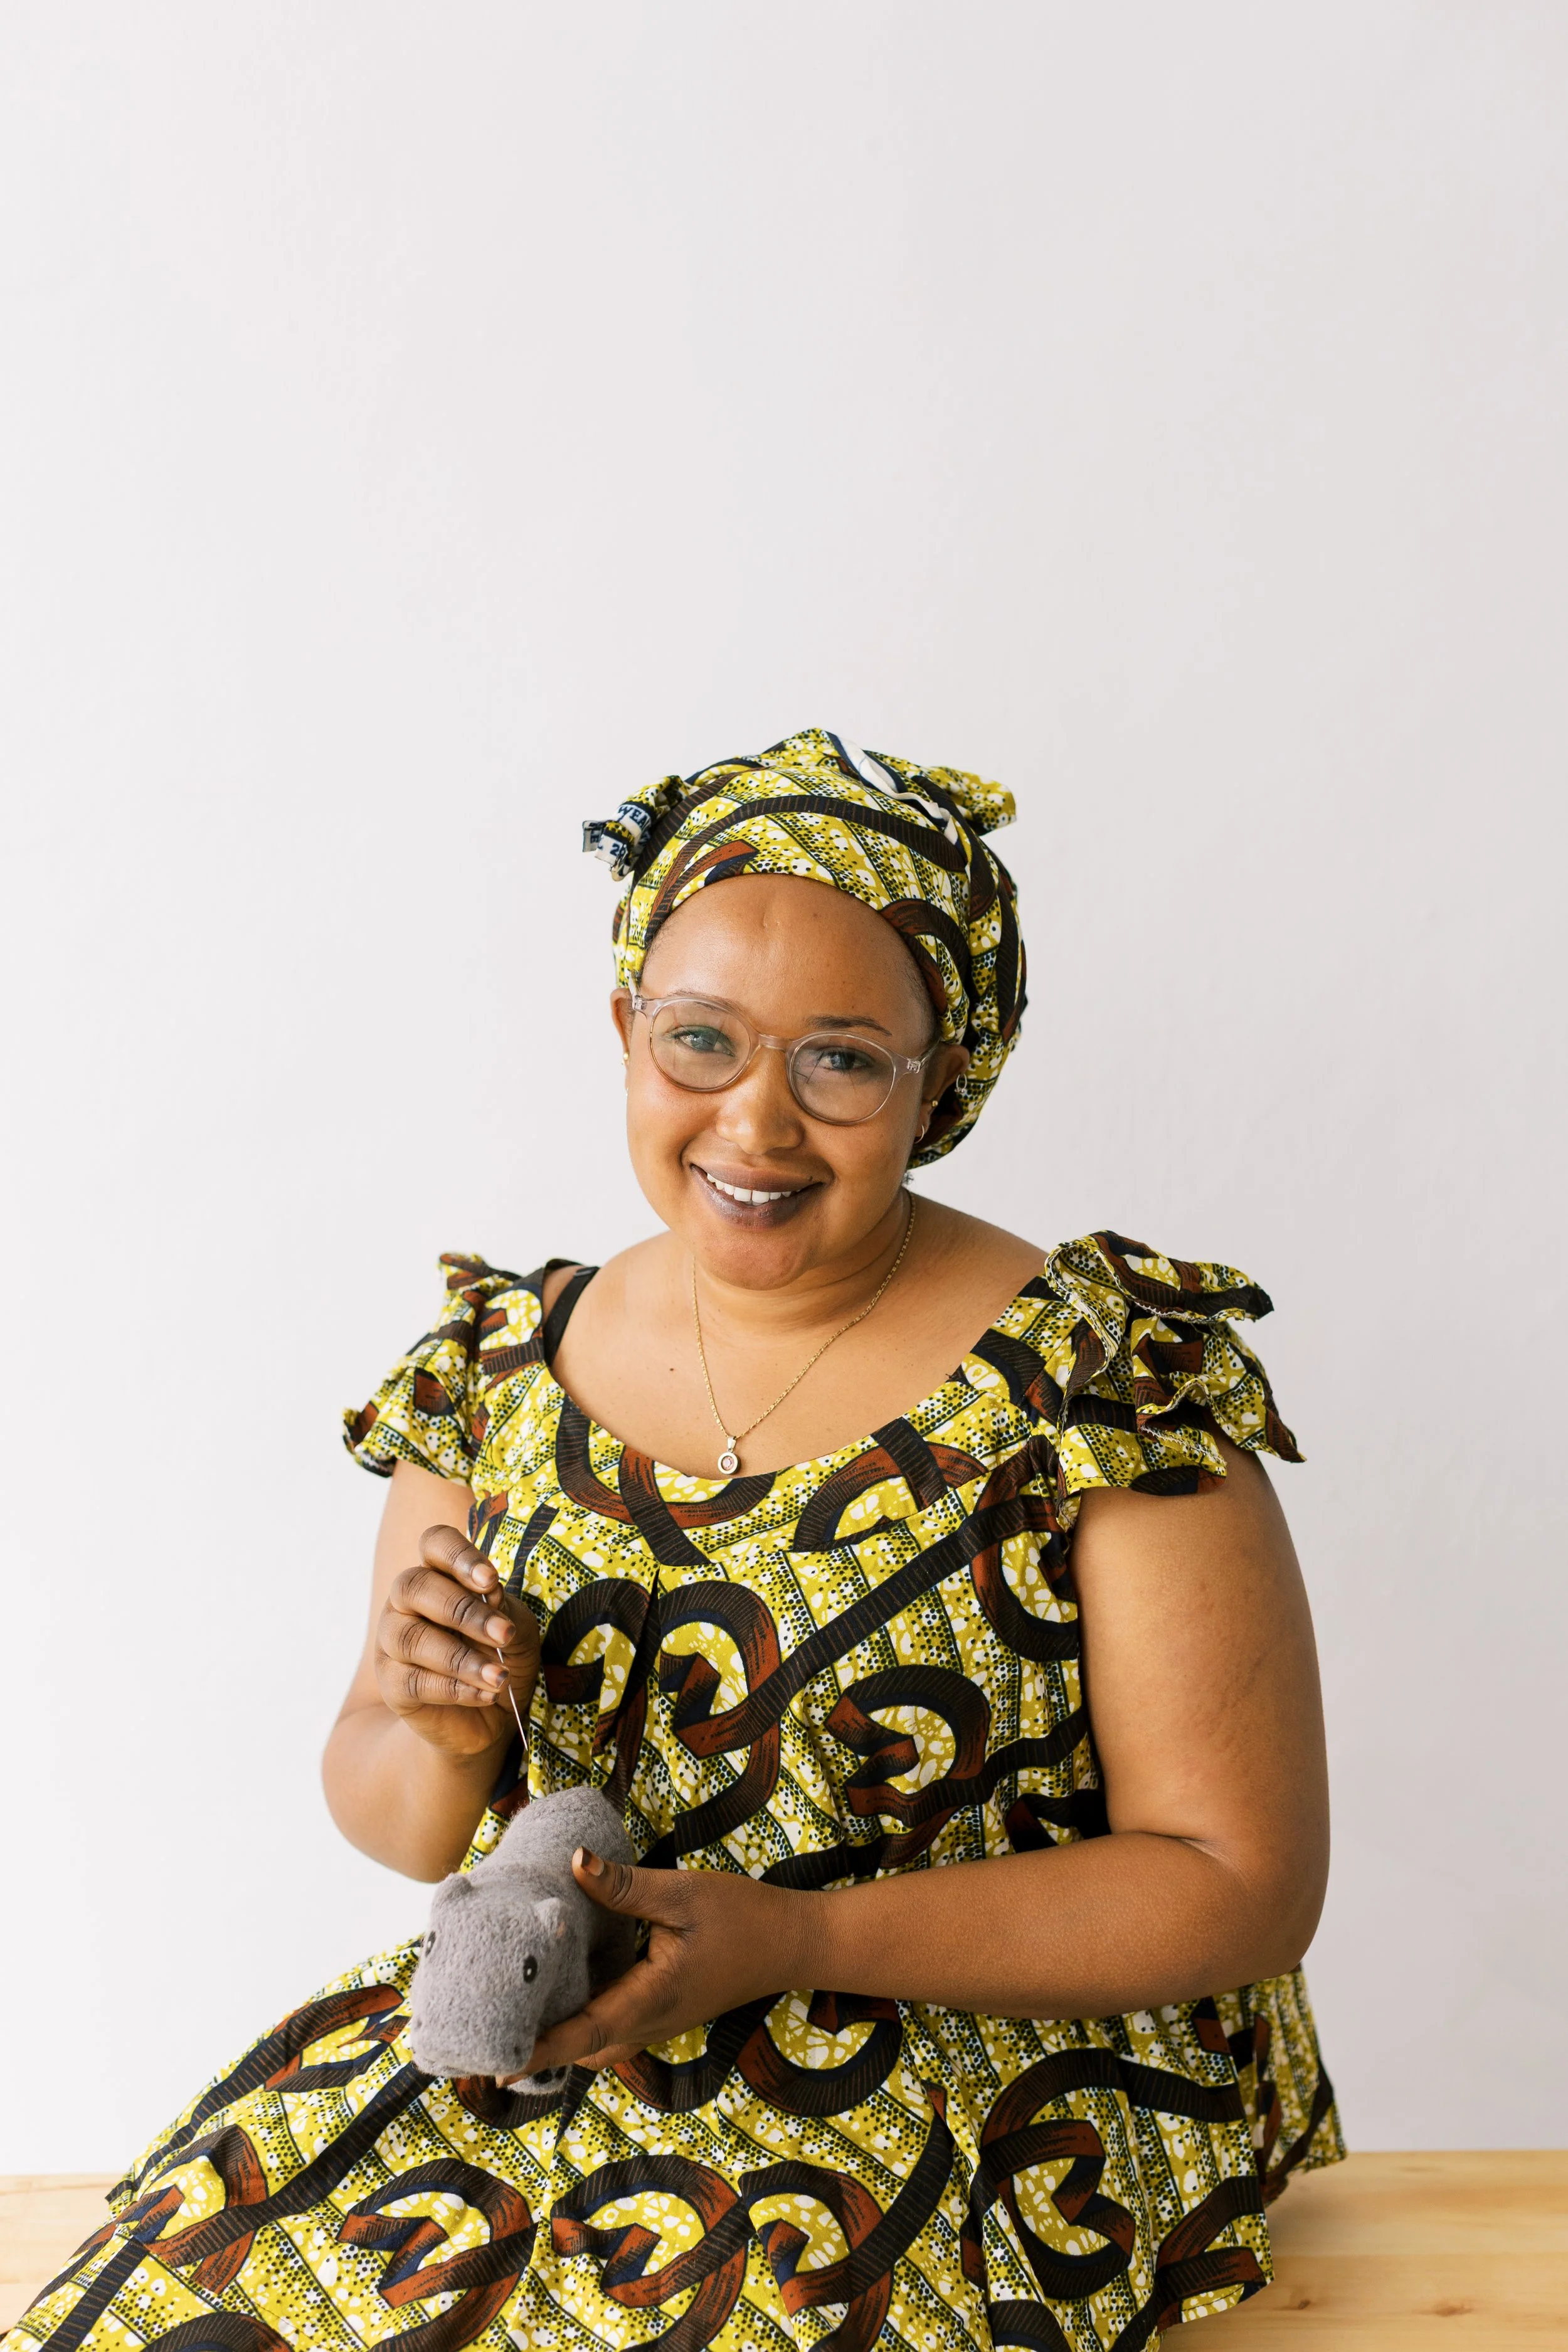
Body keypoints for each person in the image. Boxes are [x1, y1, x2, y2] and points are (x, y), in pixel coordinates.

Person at [11, 729, 1340, 2352]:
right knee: (176, 2312)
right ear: (626, 1032)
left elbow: (1234, 1883)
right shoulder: (500, 1369)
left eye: (841, 1059)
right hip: (561, 2032)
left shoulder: (1099, 1381)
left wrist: (800, 1938)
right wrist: (440, 1728)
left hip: (981, 2063)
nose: (755, 1122)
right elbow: (405, 1821)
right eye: (699, 1039)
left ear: (940, 1079)